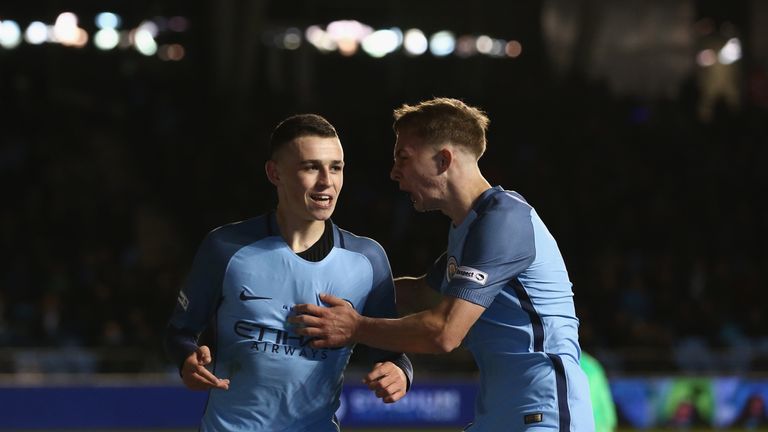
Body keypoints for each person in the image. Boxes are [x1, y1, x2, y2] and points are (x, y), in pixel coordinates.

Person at [290, 97, 594, 431]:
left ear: (444, 159)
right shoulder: (470, 228)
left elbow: (444, 332)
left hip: (543, 413)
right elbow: (420, 293)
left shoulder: (504, 222)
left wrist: (354, 327)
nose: (394, 172)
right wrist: (320, 285)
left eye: (403, 157)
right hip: (502, 414)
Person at [164, 114, 413, 431]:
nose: (327, 180)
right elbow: (179, 332)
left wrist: (399, 371)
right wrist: (188, 360)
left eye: (336, 167)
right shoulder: (225, 247)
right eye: (311, 167)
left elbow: (392, 349)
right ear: (274, 173)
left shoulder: (368, 260)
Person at [580, 352, 617, 432]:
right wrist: (610, 419)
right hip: (599, 425)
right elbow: (604, 398)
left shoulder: (556, 361)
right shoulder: (592, 364)